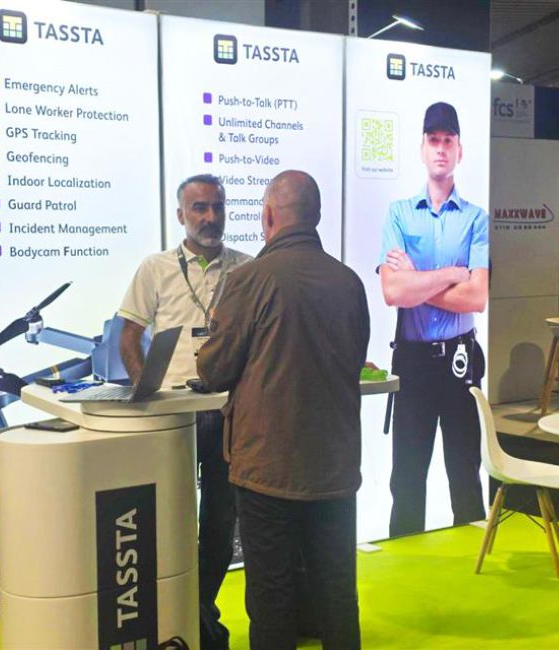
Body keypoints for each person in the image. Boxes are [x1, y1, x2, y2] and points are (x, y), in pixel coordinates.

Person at [197, 170, 370, 650]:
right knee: (338, 594)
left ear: (269, 216)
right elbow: (354, 359)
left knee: (271, 598)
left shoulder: (249, 280)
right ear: (317, 216)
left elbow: (214, 371)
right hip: (335, 468)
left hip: (266, 469)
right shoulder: (349, 282)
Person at [118, 173, 250, 650]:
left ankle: (199, 611)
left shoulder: (246, 269)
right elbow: (128, 337)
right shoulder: (155, 268)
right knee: (170, 517)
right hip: (174, 414)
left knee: (220, 518)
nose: (210, 217)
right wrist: (147, 392)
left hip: (227, 409)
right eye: (199, 208)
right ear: (180, 215)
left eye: (217, 206)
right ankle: (179, 615)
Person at [378, 102, 489, 537]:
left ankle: (473, 564)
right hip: (413, 361)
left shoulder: (476, 219)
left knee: (465, 474)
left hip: (461, 360)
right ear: (422, 148)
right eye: (433, 140)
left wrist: (418, 279)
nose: (441, 148)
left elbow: (476, 297)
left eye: (448, 141)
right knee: (406, 480)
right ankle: (404, 564)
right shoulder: (399, 214)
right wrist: (449, 275)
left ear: (460, 150)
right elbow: (393, 292)